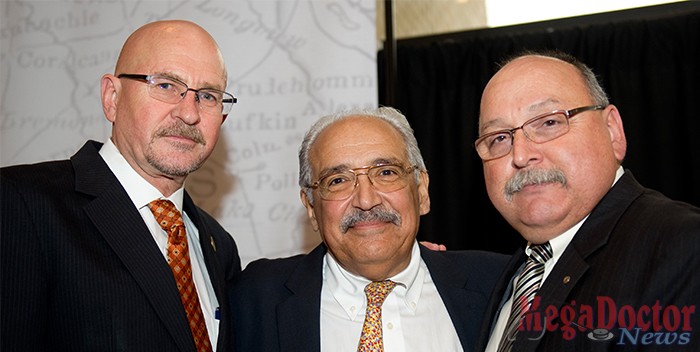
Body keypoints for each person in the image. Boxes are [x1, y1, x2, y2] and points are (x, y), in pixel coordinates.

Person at [1, 20, 241, 352]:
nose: (189, 112)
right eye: (166, 85)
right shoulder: (21, 205)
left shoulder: (218, 245)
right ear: (112, 98)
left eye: (208, 95)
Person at [228, 106, 509, 352]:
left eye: (386, 173)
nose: (366, 200)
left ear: (421, 191)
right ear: (312, 208)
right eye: (337, 180)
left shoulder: (501, 284)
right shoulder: (254, 299)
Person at [473, 49, 700, 351]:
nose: (521, 154)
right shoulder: (502, 280)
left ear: (612, 131)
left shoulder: (684, 248)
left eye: (549, 122)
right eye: (499, 138)